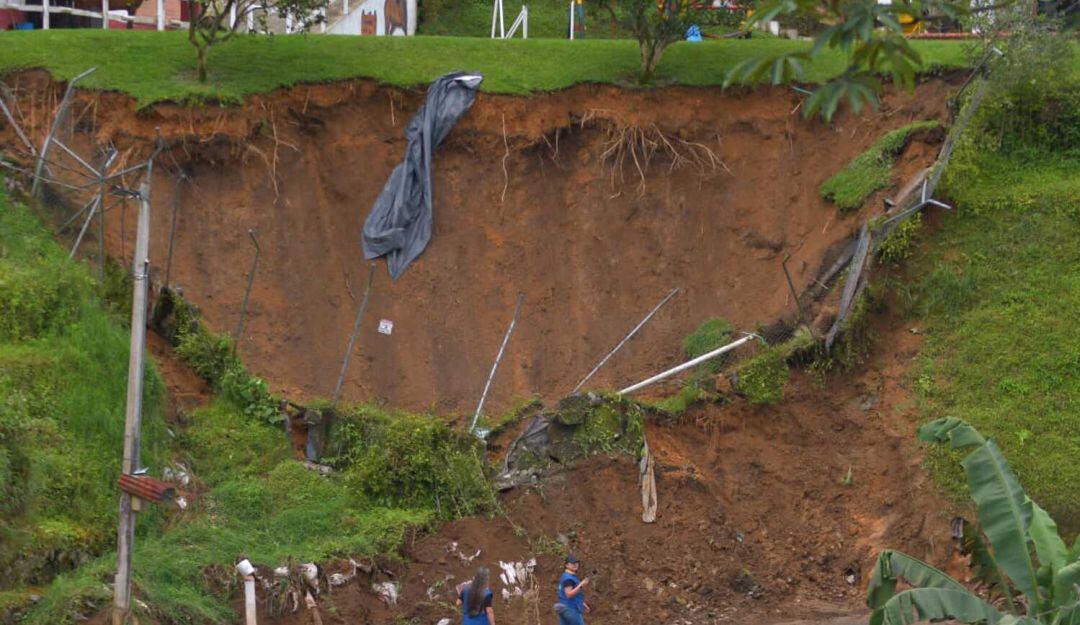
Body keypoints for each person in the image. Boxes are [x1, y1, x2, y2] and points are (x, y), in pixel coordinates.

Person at [554, 555, 590, 625]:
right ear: (567, 565)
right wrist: (581, 585)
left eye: (576, 563)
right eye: (573, 563)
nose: (575, 565)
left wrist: (582, 603)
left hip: (564, 608)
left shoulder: (567, 576)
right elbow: (569, 594)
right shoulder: (568, 578)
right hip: (570, 608)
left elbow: (571, 595)